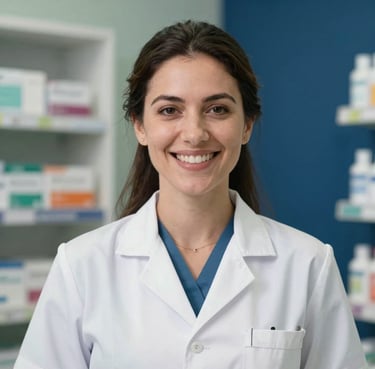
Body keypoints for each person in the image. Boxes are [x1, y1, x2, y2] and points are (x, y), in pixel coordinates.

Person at [14, 20, 367, 369]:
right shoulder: (81, 266)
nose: (194, 133)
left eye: (218, 109)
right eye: (170, 110)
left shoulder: (307, 265)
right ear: (140, 125)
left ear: (246, 125)